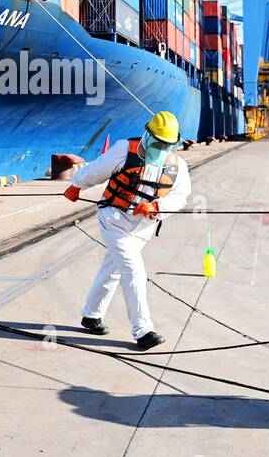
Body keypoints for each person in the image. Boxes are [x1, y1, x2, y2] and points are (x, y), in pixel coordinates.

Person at [63, 110, 191, 350]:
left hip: (143, 227)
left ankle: (91, 315)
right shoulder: (124, 150)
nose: (160, 149)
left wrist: (156, 206)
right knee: (134, 272)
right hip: (114, 219)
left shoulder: (177, 166)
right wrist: (76, 185)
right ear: (147, 135)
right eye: (156, 143)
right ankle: (143, 330)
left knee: (112, 269)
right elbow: (96, 170)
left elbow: (181, 196)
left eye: (166, 145)